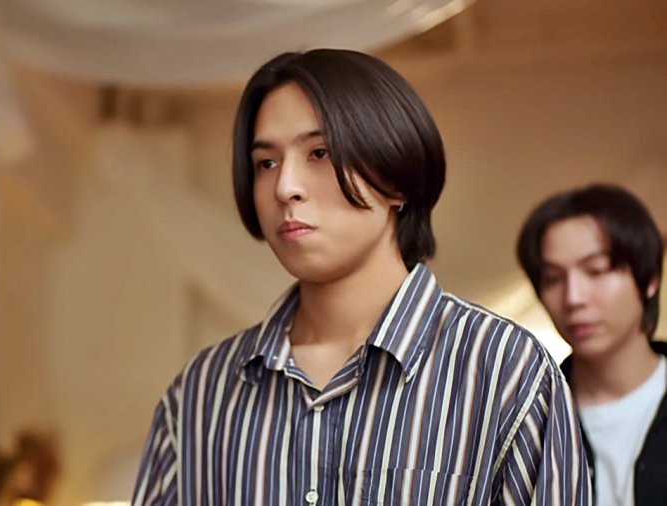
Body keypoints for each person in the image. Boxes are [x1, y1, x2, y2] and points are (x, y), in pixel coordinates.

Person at [133, 49, 590, 505]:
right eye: (266, 163)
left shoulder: (505, 371)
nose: (285, 187)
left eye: (319, 153)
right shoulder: (200, 394)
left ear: (396, 177)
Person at [517, 184, 665, 506]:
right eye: (553, 279)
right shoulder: (525, 418)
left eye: (596, 271)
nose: (573, 298)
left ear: (650, 278)